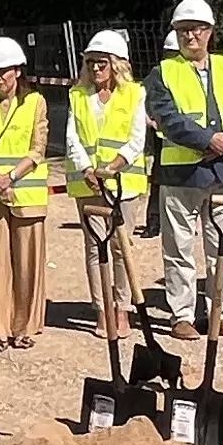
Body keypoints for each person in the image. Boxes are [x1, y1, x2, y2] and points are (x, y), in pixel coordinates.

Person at [148, 0, 223, 338]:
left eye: (195, 30)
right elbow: (168, 118)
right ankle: (181, 315)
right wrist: (207, 141)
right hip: (182, 172)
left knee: (221, 249)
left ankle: (218, 313)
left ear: (210, 31)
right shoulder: (162, 72)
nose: (189, 36)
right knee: (178, 247)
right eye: (182, 31)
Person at [0, 39, 54, 347]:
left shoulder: (36, 102)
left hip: (25, 193)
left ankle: (25, 328)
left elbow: (38, 147)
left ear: (18, 70)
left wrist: (12, 176)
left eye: (3, 71)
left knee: (29, 264)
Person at [65, 31, 149, 343]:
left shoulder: (134, 94)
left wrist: (113, 167)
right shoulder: (77, 95)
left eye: (102, 62)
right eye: (91, 62)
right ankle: (101, 310)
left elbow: (137, 138)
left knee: (120, 245)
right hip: (87, 181)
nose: (96, 68)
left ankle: (122, 308)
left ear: (115, 64)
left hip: (123, 182)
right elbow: (72, 137)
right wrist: (87, 168)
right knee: (93, 246)